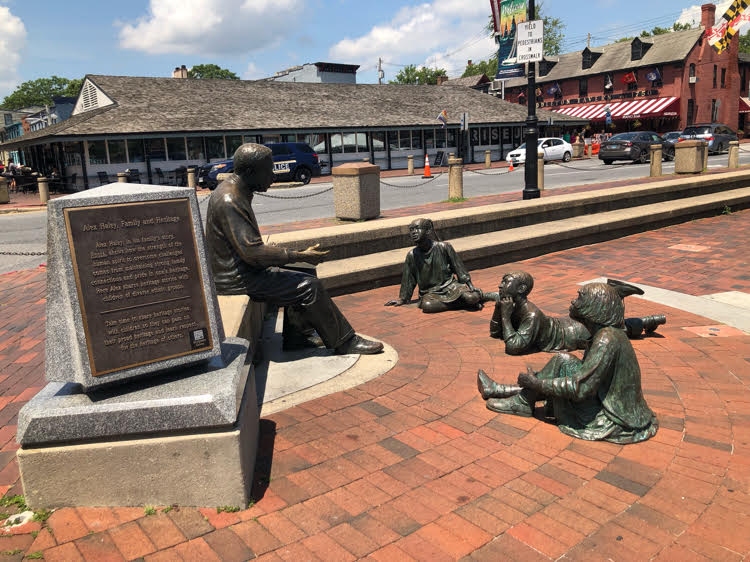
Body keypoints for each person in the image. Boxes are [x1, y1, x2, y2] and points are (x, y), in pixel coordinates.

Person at [205, 143, 383, 355]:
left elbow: (245, 246)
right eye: (268, 170)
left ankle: (298, 336)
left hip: (240, 270)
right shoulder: (230, 199)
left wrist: (293, 258)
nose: (273, 176)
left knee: (306, 271)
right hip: (236, 279)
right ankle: (345, 341)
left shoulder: (237, 189)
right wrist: (299, 255)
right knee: (310, 286)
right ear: (251, 172)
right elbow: (252, 253)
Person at [478, 282, 659, 444]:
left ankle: (520, 400)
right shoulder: (605, 334)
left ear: (594, 306)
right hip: (606, 399)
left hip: (613, 417)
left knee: (561, 363)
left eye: (580, 297)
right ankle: (506, 393)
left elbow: (580, 388)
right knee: (562, 361)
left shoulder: (606, 339)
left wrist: (537, 383)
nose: (573, 301)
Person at [486, 271, 665, 356]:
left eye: (505, 281)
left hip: (570, 334)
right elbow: (495, 333)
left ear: (522, 289)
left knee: (617, 329)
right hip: (561, 324)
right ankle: (646, 320)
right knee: (611, 325)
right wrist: (499, 309)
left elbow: (514, 347)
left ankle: (642, 317)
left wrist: (505, 318)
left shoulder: (531, 314)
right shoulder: (511, 306)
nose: (500, 285)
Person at [384, 218, 483, 313]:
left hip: (451, 286)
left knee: (471, 297)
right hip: (430, 293)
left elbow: (459, 268)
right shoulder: (412, 255)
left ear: (428, 231)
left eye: (417, 228)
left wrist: (470, 285)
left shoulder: (444, 247)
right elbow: (408, 279)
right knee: (428, 305)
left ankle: (473, 299)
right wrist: (403, 299)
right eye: (411, 230)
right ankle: (464, 304)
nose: (414, 232)